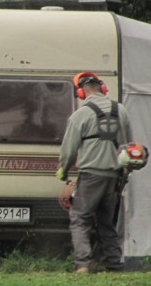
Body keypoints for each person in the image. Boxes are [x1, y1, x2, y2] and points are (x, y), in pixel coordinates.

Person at [56, 72, 133, 274]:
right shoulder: (122, 111)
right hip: (114, 177)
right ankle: (114, 264)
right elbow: (129, 146)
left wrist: (64, 174)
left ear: (81, 92)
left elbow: (68, 150)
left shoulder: (80, 115)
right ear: (103, 88)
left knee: (80, 218)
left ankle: (83, 264)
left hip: (90, 175)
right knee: (107, 222)